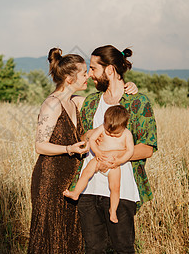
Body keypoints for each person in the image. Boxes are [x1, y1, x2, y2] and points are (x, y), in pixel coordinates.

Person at [28, 48, 138, 254]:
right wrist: (69, 148)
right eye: (83, 73)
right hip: (50, 179)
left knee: (69, 234)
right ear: (70, 78)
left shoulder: (76, 102)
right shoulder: (51, 104)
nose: (88, 75)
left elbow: (110, 99)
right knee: (50, 234)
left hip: (71, 178)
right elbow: (39, 145)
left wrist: (128, 85)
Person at [73, 45, 158, 254]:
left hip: (122, 189)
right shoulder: (92, 102)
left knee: (123, 248)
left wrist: (115, 158)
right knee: (93, 249)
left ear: (110, 70)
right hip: (88, 189)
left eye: (93, 69)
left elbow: (147, 148)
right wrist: (93, 136)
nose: (90, 74)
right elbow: (82, 139)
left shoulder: (138, 102)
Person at [63, 105, 134, 223]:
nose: (111, 135)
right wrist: (97, 152)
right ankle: (76, 193)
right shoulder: (102, 127)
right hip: (98, 159)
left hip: (114, 165)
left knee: (115, 188)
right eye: (108, 131)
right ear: (105, 122)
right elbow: (91, 140)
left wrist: (119, 161)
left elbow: (130, 151)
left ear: (124, 126)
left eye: (116, 134)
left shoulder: (127, 134)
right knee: (86, 173)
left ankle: (113, 210)